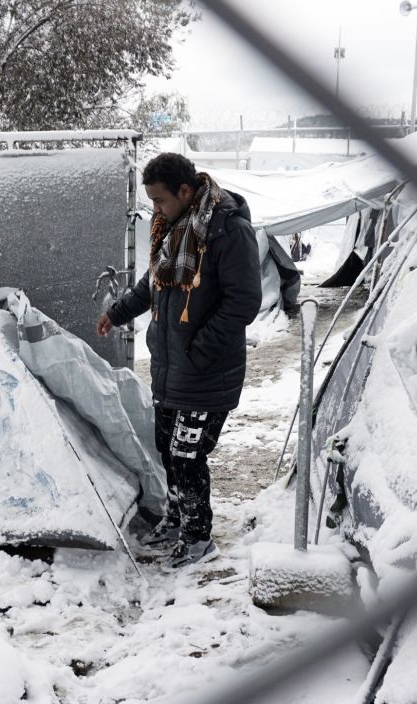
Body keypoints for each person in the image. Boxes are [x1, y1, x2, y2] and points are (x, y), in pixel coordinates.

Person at [96, 153, 260, 569]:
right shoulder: (173, 229)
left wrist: (199, 348)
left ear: (185, 191)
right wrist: (117, 312)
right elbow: (154, 283)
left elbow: (244, 302)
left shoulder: (228, 232)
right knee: (169, 452)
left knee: (187, 458)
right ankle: (177, 518)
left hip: (205, 374)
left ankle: (198, 538)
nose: (155, 210)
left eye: (160, 201)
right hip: (172, 372)